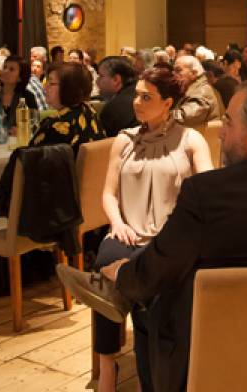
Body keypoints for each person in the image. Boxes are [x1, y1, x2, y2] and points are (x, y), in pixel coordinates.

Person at [58, 78, 247, 392]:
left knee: (149, 297)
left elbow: (157, 267)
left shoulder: (209, 193)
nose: (221, 133)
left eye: (229, 123)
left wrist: (123, 273)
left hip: (220, 369)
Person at [87, 65, 213, 392]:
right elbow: (108, 194)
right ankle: (107, 364)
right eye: (137, 95)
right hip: (128, 233)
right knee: (105, 260)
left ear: (168, 103)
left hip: (168, 242)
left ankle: (152, 378)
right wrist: (117, 223)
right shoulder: (124, 140)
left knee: (146, 285)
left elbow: (208, 193)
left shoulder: (191, 141)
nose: (137, 103)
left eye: (147, 97)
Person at [29, 62, 104, 153]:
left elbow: (28, 157)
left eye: (51, 83)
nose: (44, 88)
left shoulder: (56, 125)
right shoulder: (89, 110)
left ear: (69, 89)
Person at [0, 55, 37, 134]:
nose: (5, 71)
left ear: (20, 77)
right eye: (4, 67)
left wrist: (22, 130)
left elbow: (34, 126)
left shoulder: (28, 97)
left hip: (20, 140)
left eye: (11, 69)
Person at [172, 55, 222, 126]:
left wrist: (164, 114)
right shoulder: (192, 88)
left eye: (178, 70)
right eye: (173, 71)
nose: (173, 74)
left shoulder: (202, 92)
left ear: (193, 73)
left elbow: (184, 117)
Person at [96, 56, 139, 137]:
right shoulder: (141, 92)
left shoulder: (112, 109)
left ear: (116, 79)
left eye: (101, 76)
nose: (97, 81)